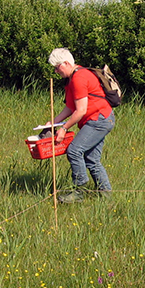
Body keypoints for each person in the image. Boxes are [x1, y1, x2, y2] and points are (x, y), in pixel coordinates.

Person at [45, 48, 116, 203]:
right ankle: (106, 197)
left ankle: (79, 192)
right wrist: (53, 123)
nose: (56, 71)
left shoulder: (80, 77)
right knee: (92, 159)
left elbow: (81, 110)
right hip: (98, 119)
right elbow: (70, 107)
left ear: (66, 63)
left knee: (74, 150)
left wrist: (63, 129)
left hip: (99, 119)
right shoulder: (71, 80)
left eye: (57, 67)